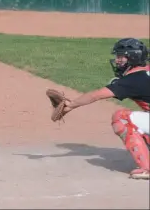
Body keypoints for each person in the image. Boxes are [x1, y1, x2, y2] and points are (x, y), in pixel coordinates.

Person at [62, 38, 150, 180]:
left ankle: (146, 169)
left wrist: (70, 105)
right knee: (143, 124)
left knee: (122, 118)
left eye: (121, 56)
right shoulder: (146, 73)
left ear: (132, 57)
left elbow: (96, 95)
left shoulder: (133, 80)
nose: (117, 60)